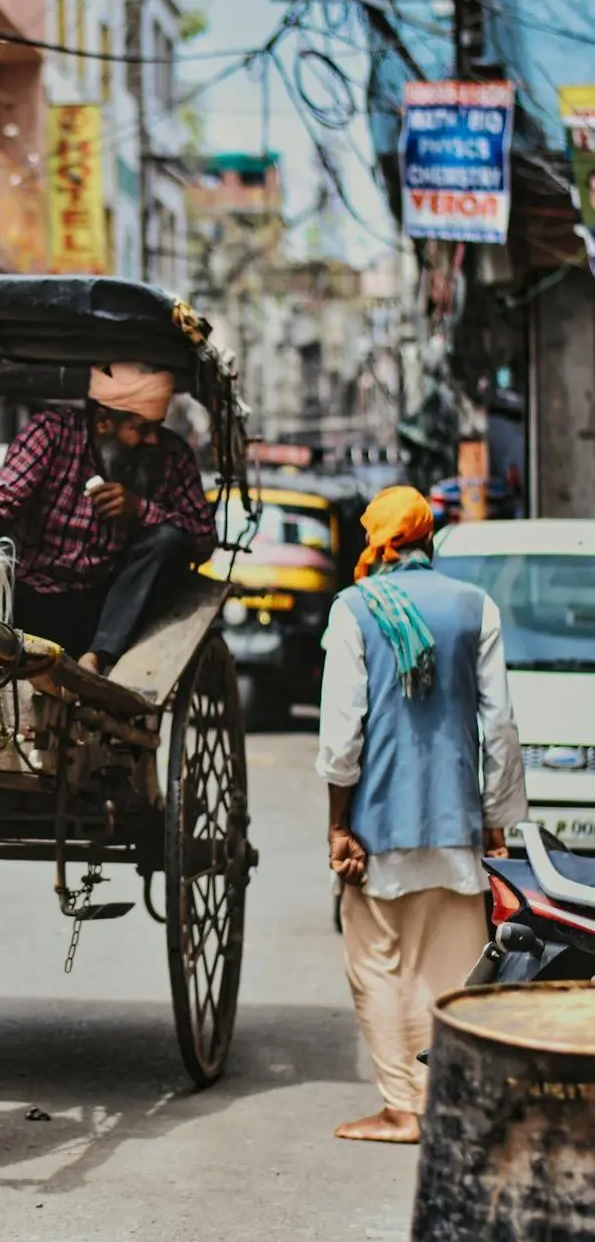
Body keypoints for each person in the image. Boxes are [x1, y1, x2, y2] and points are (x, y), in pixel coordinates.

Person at [318, 486, 525, 1145]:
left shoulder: (355, 608)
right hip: (458, 822)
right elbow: (498, 726)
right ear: (427, 540)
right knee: (453, 969)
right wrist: (496, 817)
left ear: (375, 542)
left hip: (381, 824)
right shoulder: (474, 606)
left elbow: (340, 737)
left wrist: (337, 823)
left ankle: (400, 1109)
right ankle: (451, 1102)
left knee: (378, 963)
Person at [0, 363, 217, 674]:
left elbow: (203, 538)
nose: (152, 440)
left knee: (168, 539)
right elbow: (9, 488)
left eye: (157, 427)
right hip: (25, 599)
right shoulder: (52, 432)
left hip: (103, 612)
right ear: (103, 421)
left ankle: (97, 659)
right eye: (140, 428)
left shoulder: (172, 456)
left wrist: (141, 510)